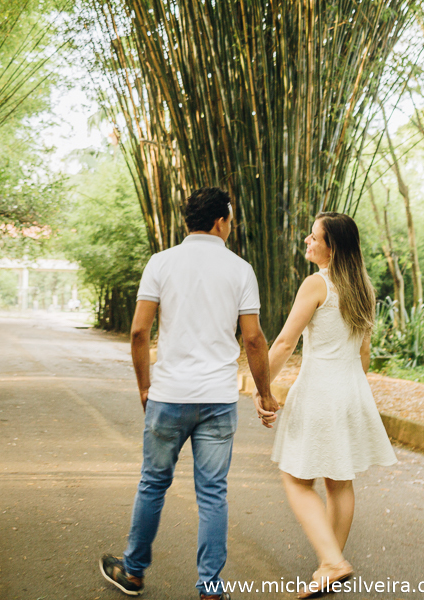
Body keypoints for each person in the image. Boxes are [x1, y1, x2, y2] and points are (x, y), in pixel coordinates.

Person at [99, 187, 279, 599]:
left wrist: (145, 385)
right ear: (220, 221)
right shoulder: (240, 269)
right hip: (217, 398)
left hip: (169, 394)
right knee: (213, 492)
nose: (230, 227)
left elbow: (139, 331)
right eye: (230, 221)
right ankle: (211, 589)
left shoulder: (161, 263)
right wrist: (264, 391)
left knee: (153, 483)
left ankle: (133, 571)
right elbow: (253, 339)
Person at [258, 212, 397, 599]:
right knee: (340, 482)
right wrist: (352, 388)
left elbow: (285, 343)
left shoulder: (316, 284)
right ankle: (329, 564)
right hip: (352, 390)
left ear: (331, 246)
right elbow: (365, 352)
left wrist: (261, 385)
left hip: (320, 391)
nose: (307, 240)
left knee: (296, 478)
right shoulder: (363, 287)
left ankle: (332, 561)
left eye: (314, 236)